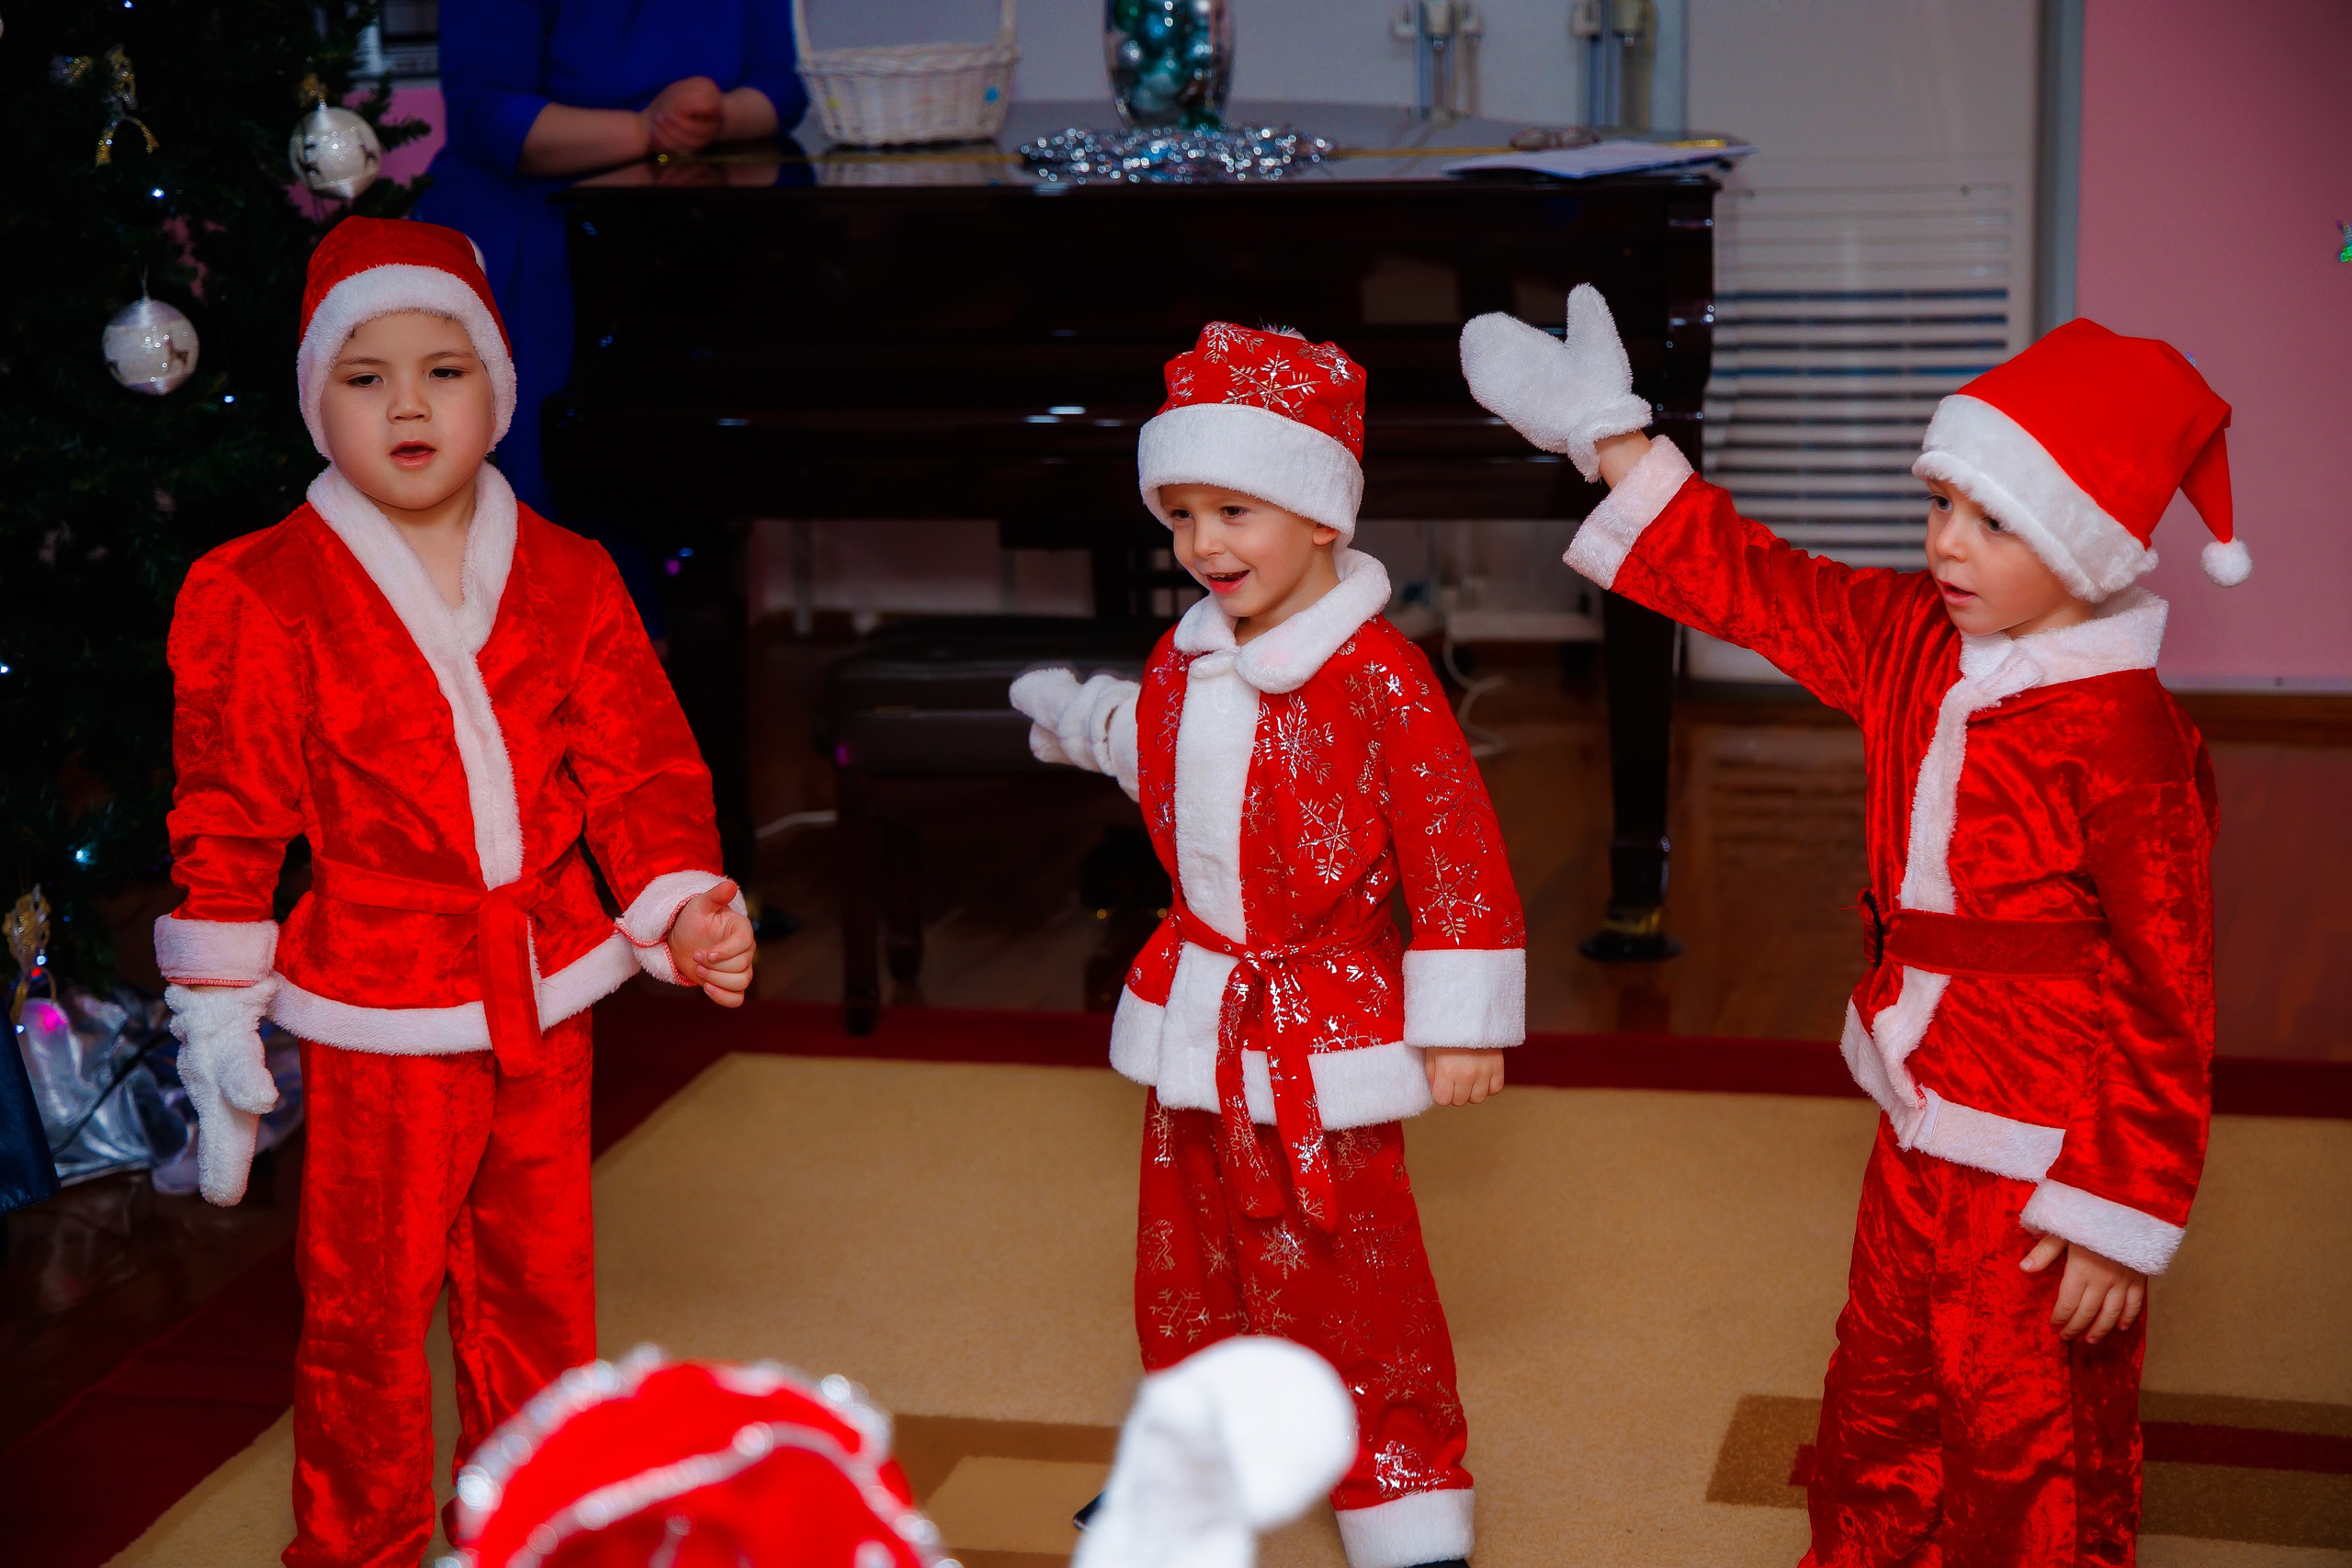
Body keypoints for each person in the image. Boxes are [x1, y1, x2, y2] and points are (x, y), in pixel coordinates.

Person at [1462, 288, 2233, 1564]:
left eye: (1995, 520)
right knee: (1880, 1377)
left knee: (2020, 1411)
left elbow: (2170, 986)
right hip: (1919, 1093)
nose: (1948, 543)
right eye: (1941, 504)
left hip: (2046, 1140)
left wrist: (2117, 1202)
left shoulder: (2129, 741)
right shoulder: (1907, 640)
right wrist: (1614, 442)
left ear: (2087, 544)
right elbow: (1758, 583)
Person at [153, 218, 756, 1568]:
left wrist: (680, 900)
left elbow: (640, 761)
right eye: (365, 377)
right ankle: (358, 1541)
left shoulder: (571, 571)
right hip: (382, 996)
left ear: (499, 390)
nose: (409, 402)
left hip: (544, 981)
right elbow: (231, 806)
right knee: (368, 1308)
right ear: (318, 403)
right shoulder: (257, 590)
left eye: (445, 368)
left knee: (541, 1292)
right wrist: (216, 1005)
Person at [1011, 323, 1527, 1568]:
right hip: (1202, 1006)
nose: (1202, 544)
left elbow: (1450, 838)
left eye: (1234, 508)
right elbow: (1170, 764)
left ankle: (1401, 1488)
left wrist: (1457, 1015)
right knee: (1187, 1260)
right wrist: (1085, 720)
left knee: (1349, 1268)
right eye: (1181, 513)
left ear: (1320, 516)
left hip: (1325, 1019)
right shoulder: (1182, 659)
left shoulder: (1380, 677)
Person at [415, 1, 809, 632]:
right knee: (556, 493)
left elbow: (781, 87)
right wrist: (648, 129)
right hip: (535, 235)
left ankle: (658, 679)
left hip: (680, 238)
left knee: (688, 485)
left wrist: (715, 116)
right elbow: (486, 115)